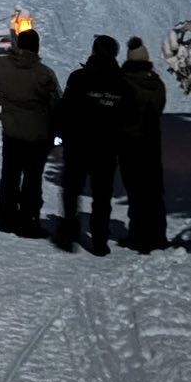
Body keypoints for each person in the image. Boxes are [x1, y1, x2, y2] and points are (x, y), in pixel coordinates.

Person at [56, 34, 139, 255]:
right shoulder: (123, 85)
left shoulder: (79, 78)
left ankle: (68, 232)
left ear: (94, 51)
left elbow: (65, 109)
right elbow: (130, 117)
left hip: (78, 144)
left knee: (72, 189)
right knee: (102, 195)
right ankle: (100, 240)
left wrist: (60, 135)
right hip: (107, 148)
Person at [0, 27, 61, 238]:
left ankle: (6, 219)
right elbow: (56, 103)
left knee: (10, 175)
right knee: (32, 179)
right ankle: (28, 221)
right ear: (36, 48)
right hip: (37, 134)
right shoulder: (43, 73)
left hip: (11, 129)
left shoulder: (2, 65)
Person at [119, 36, 168, 253]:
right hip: (152, 141)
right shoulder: (156, 83)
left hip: (130, 142)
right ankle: (158, 234)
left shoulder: (124, 83)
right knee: (154, 189)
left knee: (135, 190)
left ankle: (138, 234)